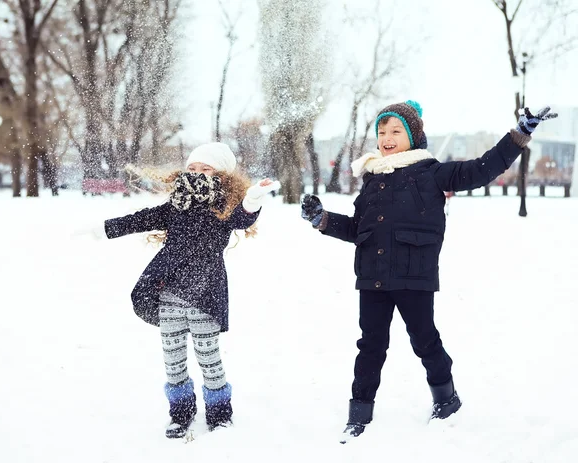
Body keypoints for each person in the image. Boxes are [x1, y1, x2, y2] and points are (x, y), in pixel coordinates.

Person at [301, 101, 557, 442]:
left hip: (413, 277)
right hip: (373, 277)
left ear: (413, 135)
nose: (387, 138)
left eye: (395, 131)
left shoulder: (432, 173)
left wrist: (519, 134)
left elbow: (483, 169)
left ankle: (446, 399)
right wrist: (323, 219)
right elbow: (359, 229)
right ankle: (359, 413)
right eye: (381, 132)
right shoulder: (373, 179)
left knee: (424, 341)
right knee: (370, 346)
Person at [104, 142, 279, 438]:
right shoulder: (176, 206)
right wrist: (104, 229)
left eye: (206, 168)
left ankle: (220, 415)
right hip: (169, 294)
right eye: (193, 167)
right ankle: (180, 414)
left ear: (222, 174)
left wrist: (252, 200)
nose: (197, 173)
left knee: (209, 359)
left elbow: (242, 218)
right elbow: (141, 219)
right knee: (173, 360)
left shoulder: (223, 206)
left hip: (205, 295)